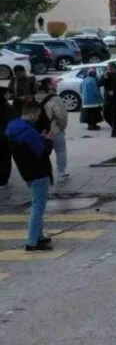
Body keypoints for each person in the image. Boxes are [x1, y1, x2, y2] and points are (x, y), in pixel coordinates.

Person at [5, 101, 53, 251]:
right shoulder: (29, 132)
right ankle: (32, 242)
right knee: (38, 207)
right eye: (38, 114)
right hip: (38, 171)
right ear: (32, 113)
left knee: (37, 204)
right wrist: (47, 140)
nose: (38, 117)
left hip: (27, 171)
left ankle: (38, 236)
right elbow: (42, 151)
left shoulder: (14, 129)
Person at [37, 78, 69, 183]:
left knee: (41, 153)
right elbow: (62, 116)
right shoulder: (55, 99)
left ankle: (43, 174)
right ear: (49, 85)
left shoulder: (35, 97)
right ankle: (61, 173)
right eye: (54, 82)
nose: (56, 84)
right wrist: (61, 128)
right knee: (60, 150)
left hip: (39, 131)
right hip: (54, 130)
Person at [100, 62, 116, 137]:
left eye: (111, 69)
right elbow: (99, 84)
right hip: (107, 99)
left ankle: (114, 133)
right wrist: (104, 78)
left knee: (115, 115)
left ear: (115, 69)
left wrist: (115, 92)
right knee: (105, 114)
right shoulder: (106, 76)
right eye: (108, 69)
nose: (109, 71)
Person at [0, 92, 11, 189]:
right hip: (5, 136)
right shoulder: (7, 107)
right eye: (7, 93)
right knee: (5, 159)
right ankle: (3, 181)